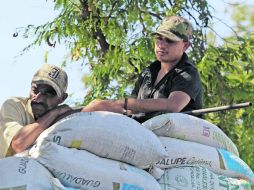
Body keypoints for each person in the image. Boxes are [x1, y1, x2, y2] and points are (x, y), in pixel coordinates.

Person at [82, 15, 203, 122]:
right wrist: (106, 107)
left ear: (185, 46)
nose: (161, 45)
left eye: (170, 41)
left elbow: (173, 105)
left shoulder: (187, 73)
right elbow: (131, 110)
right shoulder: (148, 73)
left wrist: (121, 103)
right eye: (159, 38)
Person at [0, 64, 73, 158]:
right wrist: (54, 113)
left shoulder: (64, 112)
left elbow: (96, 106)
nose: (38, 99)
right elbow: (18, 143)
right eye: (35, 90)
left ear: (62, 98)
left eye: (48, 93)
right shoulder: (14, 106)